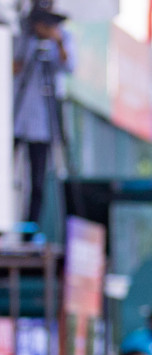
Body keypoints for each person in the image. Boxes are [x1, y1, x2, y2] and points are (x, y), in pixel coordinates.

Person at [11, 2, 72, 234]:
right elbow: (13, 67)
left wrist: (56, 41)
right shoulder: (22, 36)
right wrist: (30, 44)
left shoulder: (63, 37)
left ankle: (30, 231)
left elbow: (69, 65)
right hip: (16, 118)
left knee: (38, 181)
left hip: (44, 124)